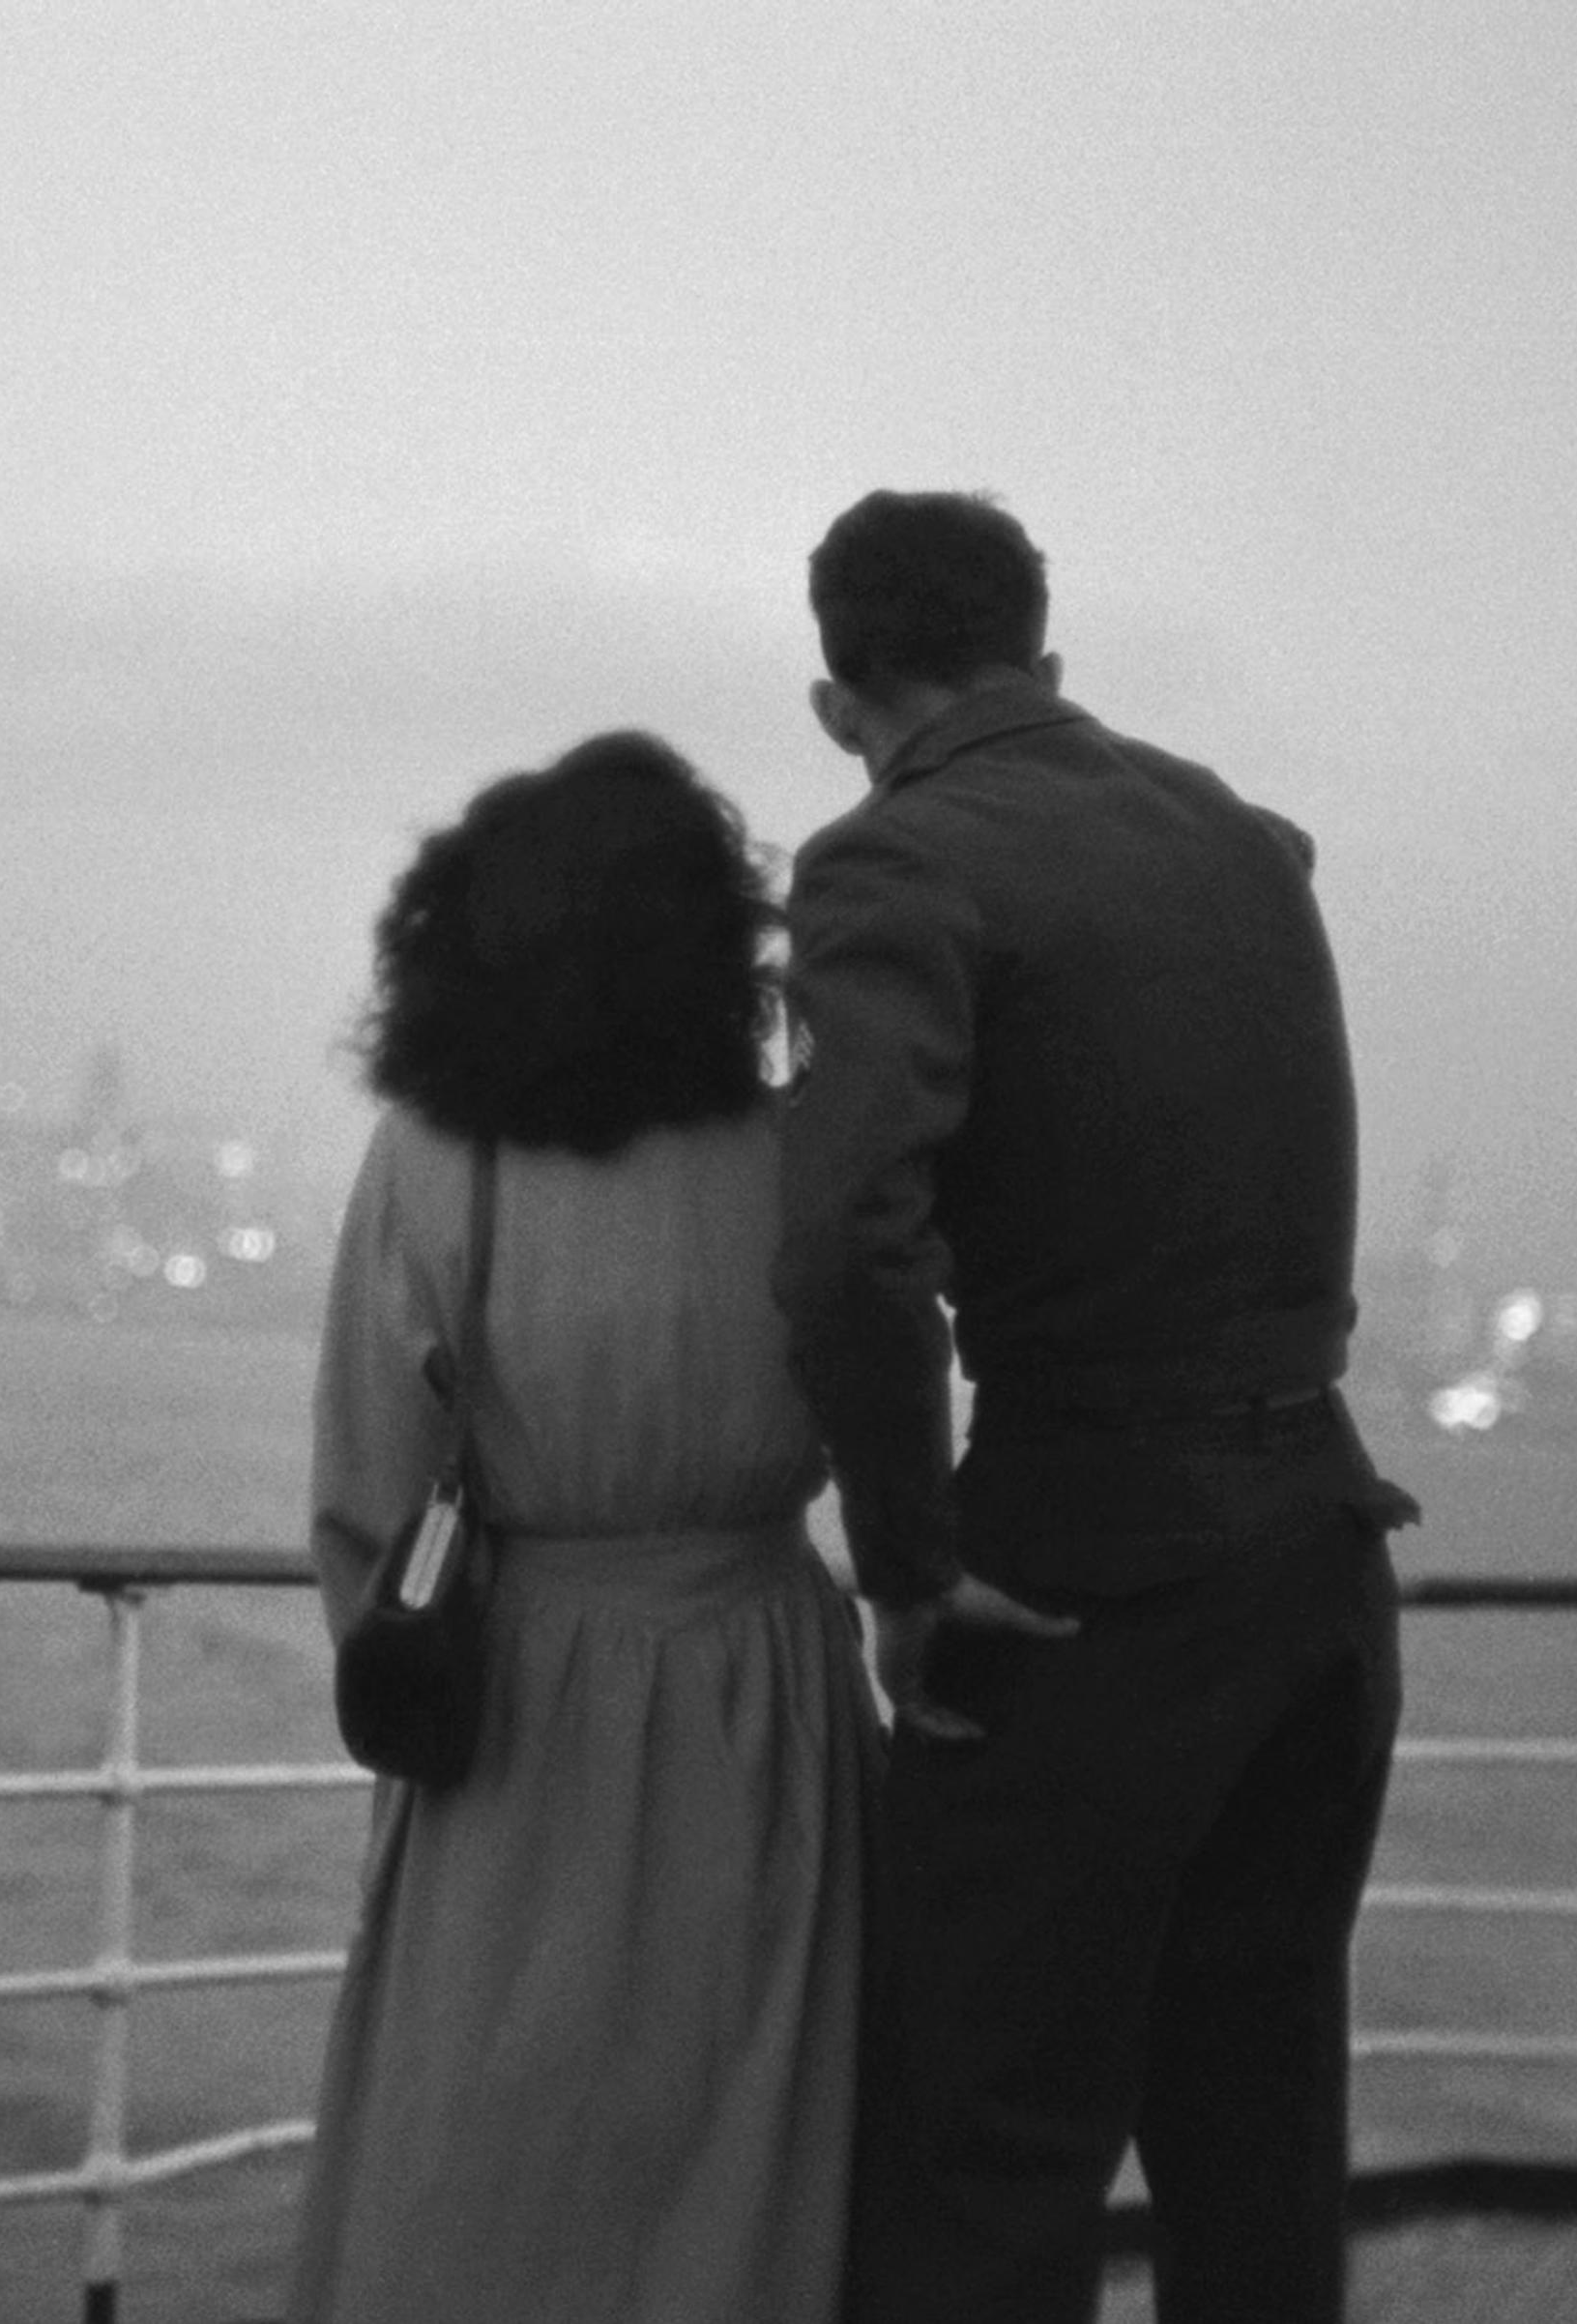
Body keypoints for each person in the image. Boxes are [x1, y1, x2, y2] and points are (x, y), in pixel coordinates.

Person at [772, 489, 1416, 2324]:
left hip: (1086, 1590)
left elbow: (842, 1239)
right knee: (1259, 2142)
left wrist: (906, 1565)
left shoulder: (896, 862)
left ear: (838, 704)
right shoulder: (1240, 838)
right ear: (1047, 656)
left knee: (987, 2158)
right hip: (1321, 1566)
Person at [292, 730, 879, 2324]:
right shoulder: (801, 1156)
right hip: (765, 1685)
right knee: (752, 2114)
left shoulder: (434, 1161)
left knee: (485, 2124)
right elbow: (881, 1407)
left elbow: (366, 1490)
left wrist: (398, 1659)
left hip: (525, 1702)